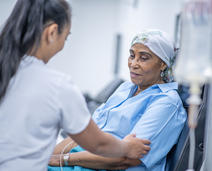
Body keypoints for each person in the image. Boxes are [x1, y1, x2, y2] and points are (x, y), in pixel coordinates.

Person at [0, 0, 151, 171]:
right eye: (65, 37)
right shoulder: (57, 86)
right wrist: (127, 147)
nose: (63, 45)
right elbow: (99, 144)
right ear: (52, 32)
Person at [48, 29, 187, 171]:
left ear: (163, 64)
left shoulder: (166, 103)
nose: (134, 63)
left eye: (143, 58)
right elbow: (87, 134)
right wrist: (46, 157)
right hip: (80, 161)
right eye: (132, 55)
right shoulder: (125, 88)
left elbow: (126, 158)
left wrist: (62, 160)